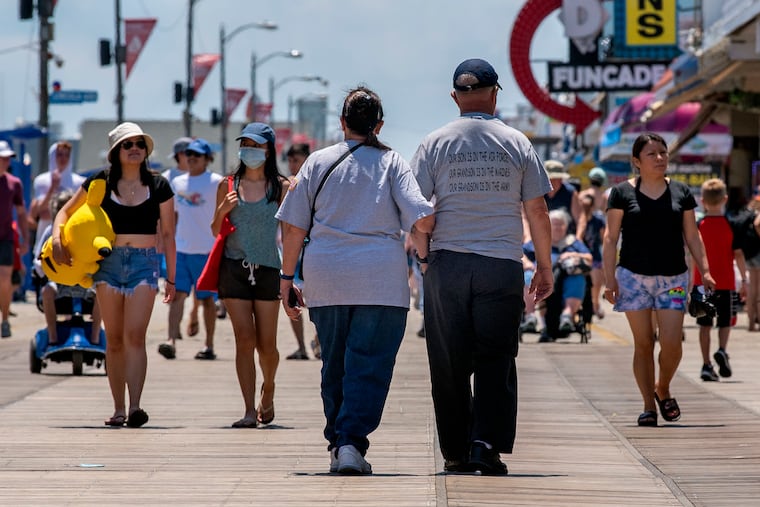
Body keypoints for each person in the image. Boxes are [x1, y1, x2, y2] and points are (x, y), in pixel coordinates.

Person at [277, 87, 435, 475]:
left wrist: (286, 279)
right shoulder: (392, 162)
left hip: (325, 276)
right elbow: (423, 219)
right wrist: (425, 256)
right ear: (379, 125)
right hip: (379, 280)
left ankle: (340, 441)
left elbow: (294, 227)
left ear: (342, 122)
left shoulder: (316, 162)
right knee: (368, 364)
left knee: (334, 362)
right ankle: (350, 443)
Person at [410, 59, 553, 475]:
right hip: (500, 264)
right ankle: (485, 446)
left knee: (449, 362)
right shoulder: (517, 142)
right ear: (495, 94)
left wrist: (423, 257)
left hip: (448, 264)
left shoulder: (434, 142)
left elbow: (418, 213)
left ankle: (455, 451)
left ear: (455, 97)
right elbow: (538, 210)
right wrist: (543, 267)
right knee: (496, 358)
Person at [52, 122, 176, 428]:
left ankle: (135, 407)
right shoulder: (100, 181)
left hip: (145, 264)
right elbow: (65, 212)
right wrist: (56, 238)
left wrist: (172, 278)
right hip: (108, 264)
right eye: (127, 144)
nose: (134, 148)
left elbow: (169, 234)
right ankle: (118, 408)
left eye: (139, 144)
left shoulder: (159, 185)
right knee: (115, 339)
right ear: (115, 152)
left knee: (136, 336)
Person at [603, 132, 715, 428]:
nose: (660, 158)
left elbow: (692, 235)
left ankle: (662, 386)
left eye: (663, 153)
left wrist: (705, 270)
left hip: (674, 278)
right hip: (632, 278)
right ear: (636, 162)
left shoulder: (681, 192)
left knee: (671, 343)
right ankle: (647, 406)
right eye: (652, 154)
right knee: (643, 344)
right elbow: (610, 237)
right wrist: (608, 279)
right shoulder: (621, 193)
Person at [212, 122, 288, 429]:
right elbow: (214, 231)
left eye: (256, 146)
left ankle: (267, 388)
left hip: (268, 268)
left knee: (266, 345)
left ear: (268, 150)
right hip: (234, 269)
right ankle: (247, 410)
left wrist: (294, 275)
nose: (249, 151)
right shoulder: (228, 184)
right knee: (244, 339)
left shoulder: (281, 187)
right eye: (245, 144)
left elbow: (294, 232)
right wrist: (220, 211)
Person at [158, 138, 222, 361]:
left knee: (206, 301)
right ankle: (171, 341)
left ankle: (209, 345)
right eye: (189, 154)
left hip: (207, 251)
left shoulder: (217, 182)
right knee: (177, 297)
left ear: (207, 158)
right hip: (182, 250)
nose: (192, 158)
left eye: (197, 155)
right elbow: (171, 218)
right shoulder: (178, 183)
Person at [33, 189, 102, 345]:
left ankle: (95, 335)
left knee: (102, 292)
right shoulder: (50, 231)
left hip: (85, 280)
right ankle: (53, 336)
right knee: (46, 291)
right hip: (59, 281)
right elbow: (39, 260)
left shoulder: (86, 230)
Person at [694, 179, 747, 381]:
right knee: (725, 322)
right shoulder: (732, 225)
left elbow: (691, 256)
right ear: (725, 198)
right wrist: (744, 279)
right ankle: (722, 350)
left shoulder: (699, 226)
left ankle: (706, 365)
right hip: (725, 283)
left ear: (702, 201)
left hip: (702, 284)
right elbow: (739, 254)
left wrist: (691, 283)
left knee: (704, 325)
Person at [524, 209, 591, 342]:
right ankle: (530, 316)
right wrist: (527, 263)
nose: (557, 228)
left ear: (566, 226)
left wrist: (574, 254)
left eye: (561, 224)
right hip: (541, 277)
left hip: (566, 278)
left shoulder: (573, 242)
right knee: (528, 276)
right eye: (554, 224)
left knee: (577, 278)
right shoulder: (539, 240)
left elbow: (589, 258)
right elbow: (521, 253)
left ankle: (567, 316)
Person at [162, 136, 201, 337]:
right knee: (177, 291)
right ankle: (172, 336)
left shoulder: (203, 177)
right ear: (179, 155)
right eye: (189, 153)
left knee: (201, 293)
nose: (193, 157)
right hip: (177, 244)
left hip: (202, 243)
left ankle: (194, 314)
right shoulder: (168, 178)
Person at [283, 143, 313, 360]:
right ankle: (302, 346)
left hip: (312, 250)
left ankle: (320, 344)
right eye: (291, 160)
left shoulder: (315, 181)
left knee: (318, 301)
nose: (293, 164)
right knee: (293, 301)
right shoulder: (286, 185)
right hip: (291, 249)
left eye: (297, 159)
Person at [29, 141, 85, 258]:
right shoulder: (41, 180)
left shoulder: (79, 181)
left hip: (70, 234)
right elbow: (40, 211)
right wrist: (53, 187)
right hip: (45, 233)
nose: (63, 158)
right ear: (53, 156)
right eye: (59, 154)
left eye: (66, 155)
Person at [0, 140, 29, 338]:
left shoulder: (14, 183)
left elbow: (21, 212)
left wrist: (26, 238)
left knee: (5, 278)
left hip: (7, 237)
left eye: (7, 158)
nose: (5, 162)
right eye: (2, 158)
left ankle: (5, 320)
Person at [580, 192, 606, 319]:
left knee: (595, 283)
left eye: (588, 206)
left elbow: (603, 238)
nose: (585, 208)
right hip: (580, 256)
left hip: (595, 256)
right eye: (583, 206)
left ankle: (595, 304)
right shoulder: (578, 219)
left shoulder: (598, 220)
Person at [544, 159, 584, 235]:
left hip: (566, 237)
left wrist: (579, 238)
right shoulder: (537, 192)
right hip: (542, 236)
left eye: (558, 179)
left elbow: (580, 218)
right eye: (552, 179)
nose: (555, 181)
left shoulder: (570, 192)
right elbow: (526, 217)